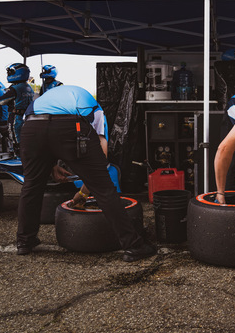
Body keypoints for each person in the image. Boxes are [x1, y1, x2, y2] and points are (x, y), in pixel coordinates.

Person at [16, 85, 156, 262]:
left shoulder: (41, 101)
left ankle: (24, 242)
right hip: (70, 125)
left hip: (31, 127)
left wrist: (50, 166)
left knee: (31, 186)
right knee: (104, 189)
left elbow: (43, 133)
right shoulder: (95, 109)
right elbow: (102, 157)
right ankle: (134, 246)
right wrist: (84, 192)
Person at [0, 63, 35, 156]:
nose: (9, 74)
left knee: (16, 141)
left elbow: (1, 101)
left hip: (16, 118)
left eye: (10, 72)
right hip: (27, 117)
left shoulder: (14, 88)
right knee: (26, 140)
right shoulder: (29, 87)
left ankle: (20, 160)